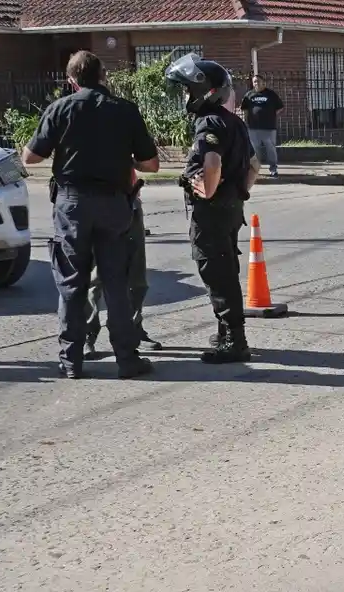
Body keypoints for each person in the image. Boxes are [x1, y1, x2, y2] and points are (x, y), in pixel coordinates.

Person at [21, 51, 160, 380]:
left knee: (71, 284)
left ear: (71, 80)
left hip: (72, 205)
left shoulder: (60, 109)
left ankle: (71, 361)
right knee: (116, 282)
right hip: (114, 205)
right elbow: (150, 164)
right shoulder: (125, 111)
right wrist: (124, 159)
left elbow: (30, 157)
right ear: (103, 76)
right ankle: (127, 358)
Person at [166, 53, 259, 364]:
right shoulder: (235, 122)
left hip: (212, 212)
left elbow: (213, 162)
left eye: (187, 90)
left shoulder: (207, 122)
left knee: (217, 273)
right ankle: (225, 332)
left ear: (203, 90)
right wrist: (241, 190)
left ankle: (235, 340)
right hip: (231, 209)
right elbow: (254, 164)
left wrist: (205, 189)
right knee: (225, 269)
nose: (185, 96)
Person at [84, 168, 162, 358]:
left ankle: (134, 330)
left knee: (136, 277)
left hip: (129, 202)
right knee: (95, 277)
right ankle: (87, 334)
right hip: (93, 203)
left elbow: (150, 163)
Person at [241, 74, 283, 179]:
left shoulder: (271, 94)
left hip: (269, 127)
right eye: (255, 81)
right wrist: (246, 122)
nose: (256, 83)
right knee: (255, 150)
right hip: (253, 128)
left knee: (271, 148)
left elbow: (280, 108)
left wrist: (269, 115)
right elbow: (245, 110)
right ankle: (255, 170)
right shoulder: (249, 95)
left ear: (264, 82)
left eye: (258, 81)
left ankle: (273, 169)